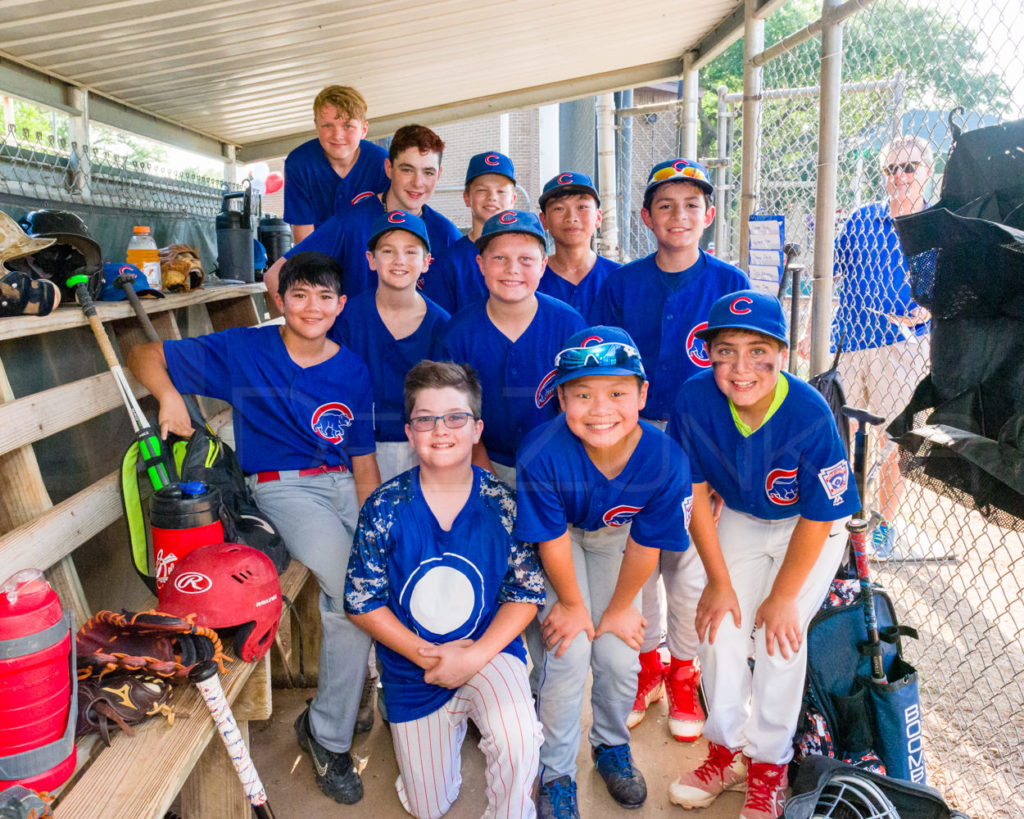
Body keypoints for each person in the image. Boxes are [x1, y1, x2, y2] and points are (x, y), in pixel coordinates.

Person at [128, 251, 381, 806]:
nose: (311, 306)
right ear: (279, 299)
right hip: (282, 487)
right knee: (351, 590)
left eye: (324, 297)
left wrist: (373, 521)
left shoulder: (352, 368)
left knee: (374, 577)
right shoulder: (246, 348)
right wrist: (169, 395)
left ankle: (341, 702)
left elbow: (363, 461)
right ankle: (326, 737)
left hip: (343, 482)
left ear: (341, 305)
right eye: (299, 295)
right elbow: (143, 351)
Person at [666, 290, 859, 819]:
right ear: (708, 354)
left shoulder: (808, 411)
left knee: (779, 634)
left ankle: (769, 766)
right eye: (725, 350)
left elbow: (821, 515)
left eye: (758, 350)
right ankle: (727, 752)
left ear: (783, 353)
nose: (741, 366)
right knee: (719, 622)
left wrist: (782, 597)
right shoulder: (693, 399)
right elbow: (697, 495)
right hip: (745, 519)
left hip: (808, 528)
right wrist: (718, 580)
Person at [345, 360, 544, 819]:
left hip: (486, 651)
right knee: (429, 806)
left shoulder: (502, 505)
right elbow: (361, 601)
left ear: (476, 430)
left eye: (455, 418)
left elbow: (525, 593)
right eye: (425, 419)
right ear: (410, 432)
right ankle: (437, 738)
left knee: (519, 739)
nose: (440, 430)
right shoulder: (385, 506)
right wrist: (427, 657)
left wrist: (471, 659)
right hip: (415, 665)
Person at [593, 158, 749, 742]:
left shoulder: (729, 284)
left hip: (699, 442)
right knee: (641, 555)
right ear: (645, 217)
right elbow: (604, 373)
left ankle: (685, 673)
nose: (678, 215)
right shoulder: (622, 283)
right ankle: (650, 668)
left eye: (691, 205)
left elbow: (741, 384)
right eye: (665, 205)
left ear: (709, 215)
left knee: (686, 569)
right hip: (631, 438)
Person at [515, 326, 693, 818]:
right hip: (563, 540)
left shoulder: (664, 457)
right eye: (581, 394)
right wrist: (573, 607)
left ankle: (611, 744)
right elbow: (550, 539)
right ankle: (555, 771)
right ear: (561, 399)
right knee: (568, 653)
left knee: (617, 655)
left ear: (642, 395)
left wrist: (616, 610)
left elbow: (647, 543)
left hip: (620, 541)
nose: (600, 409)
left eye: (617, 392)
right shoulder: (542, 450)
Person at [830, 135, 934, 557]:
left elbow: (948, 288)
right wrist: (812, 326)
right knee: (843, 432)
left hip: (902, 346)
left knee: (894, 441)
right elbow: (831, 273)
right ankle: (839, 516)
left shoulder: (936, 224)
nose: (900, 177)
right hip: (852, 340)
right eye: (891, 169)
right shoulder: (862, 219)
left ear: (927, 171)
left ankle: (884, 524)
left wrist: (929, 309)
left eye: (909, 168)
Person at [442, 209, 585, 486]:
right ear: (481, 264)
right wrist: (488, 481)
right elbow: (455, 417)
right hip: (480, 462)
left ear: (543, 265)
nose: (512, 269)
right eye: (499, 258)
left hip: (557, 461)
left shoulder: (569, 325)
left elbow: (580, 405)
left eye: (526, 259)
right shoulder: (457, 334)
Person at [265, 124, 460, 299]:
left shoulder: (446, 234)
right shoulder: (350, 224)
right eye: (407, 170)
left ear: (439, 175)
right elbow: (276, 275)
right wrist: (309, 335)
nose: (417, 183)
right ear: (388, 168)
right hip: (356, 339)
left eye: (428, 172)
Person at [331, 209, 450, 482]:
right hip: (355, 450)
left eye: (411, 252)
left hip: (422, 448)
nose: (399, 260)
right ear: (370, 259)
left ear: (426, 262)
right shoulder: (347, 317)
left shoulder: (442, 325)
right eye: (387, 251)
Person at [283, 85, 389, 242]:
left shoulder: (383, 163)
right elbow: (304, 237)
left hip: (370, 253)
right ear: (316, 125)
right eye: (327, 125)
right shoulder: (299, 164)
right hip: (321, 253)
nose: (337, 135)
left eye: (348, 126)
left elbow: (393, 224)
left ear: (364, 129)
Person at [421, 151, 518, 313]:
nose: (492, 197)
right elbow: (438, 325)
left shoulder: (527, 259)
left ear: (513, 199)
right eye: (482, 190)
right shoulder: (449, 262)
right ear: (467, 197)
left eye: (501, 191)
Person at [536, 172, 620, 321]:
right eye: (559, 208)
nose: (571, 218)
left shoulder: (619, 277)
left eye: (582, 207)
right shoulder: (531, 278)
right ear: (543, 220)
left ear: (598, 217)